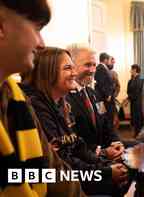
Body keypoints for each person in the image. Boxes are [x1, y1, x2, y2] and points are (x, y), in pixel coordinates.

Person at [0, 1, 84, 196]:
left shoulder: (15, 96)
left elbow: (53, 170)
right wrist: (103, 173)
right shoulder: (31, 100)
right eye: (37, 28)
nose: (41, 43)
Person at [22, 47, 130, 196]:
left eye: (73, 67)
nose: (74, 73)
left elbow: (78, 146)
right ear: (48, 73)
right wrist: (104, 173)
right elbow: (59, 165)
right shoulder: (36, 106)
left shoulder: (60, 104)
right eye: (68, 68)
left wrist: (104, 165)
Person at [65, 44, 125, 159]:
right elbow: (73, 139)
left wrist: (116, 142)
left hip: (106, 148)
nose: (93, 70)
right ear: (71, 65)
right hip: (87, 157)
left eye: (94, 65)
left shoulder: (93, 93)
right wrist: (102, 152)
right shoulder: (64, 98)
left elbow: (106, 123)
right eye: (88, 65)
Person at [95, 52, 116, 131]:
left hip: (105, 98)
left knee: (107, 118)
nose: (109, 62)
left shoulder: (103, 68)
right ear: (105, 60)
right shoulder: (100, 68)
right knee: (105, 118)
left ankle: (109, 135)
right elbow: (102, 83)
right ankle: (108, 138)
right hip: (104, 99)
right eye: (109, 60)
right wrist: (108, 95)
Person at [126, 64, 144, 136]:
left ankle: (140, 134)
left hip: (139, 103)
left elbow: (137, 92)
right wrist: (129, 98)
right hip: (133, 102)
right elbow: (128, 91)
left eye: (131, 69)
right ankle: (136, 133)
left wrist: (129, 97)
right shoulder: (130, 81)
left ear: (134, 70)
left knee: (139, 119)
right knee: (135, 119)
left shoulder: (141, 80)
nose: (130, 71)